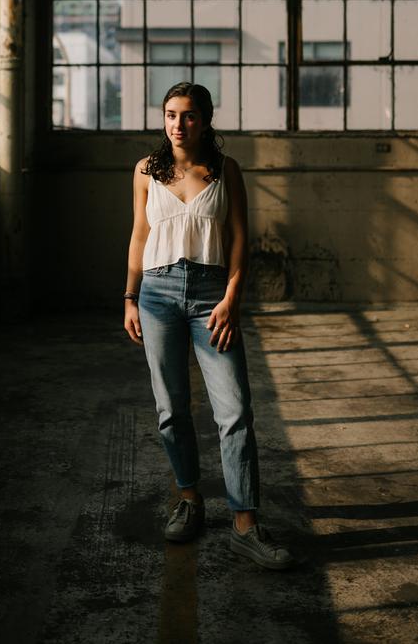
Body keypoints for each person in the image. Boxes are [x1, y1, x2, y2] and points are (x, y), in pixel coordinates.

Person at [122, 81, 295, 571]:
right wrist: (130, 296)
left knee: (234, 410)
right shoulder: (145, 171)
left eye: (190, 115)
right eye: (172, 114)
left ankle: (245, 524)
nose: (180, 124)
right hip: (156, 295)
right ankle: (190, 499)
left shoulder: (226, 171)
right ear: (163, 120)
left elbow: (241, 238)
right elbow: (139, 236)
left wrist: (232, 299)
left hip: (210, 298)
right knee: (170, 408)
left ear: (206, 120)